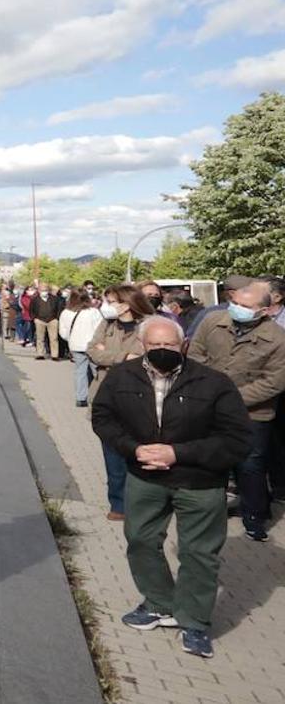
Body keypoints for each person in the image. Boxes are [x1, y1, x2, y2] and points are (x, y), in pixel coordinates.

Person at [92, 316, 252, 659]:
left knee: (198, 554)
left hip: (199, 482)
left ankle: (194, 621)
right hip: (145, 477)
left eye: (169, 345)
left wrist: (177, 453)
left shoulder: (214, 383)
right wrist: (132, 448)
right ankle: (159, 603)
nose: (162, 351)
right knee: (141, 541)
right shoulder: (122, 377)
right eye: (154, 345)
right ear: (142, 346)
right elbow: (103, 418)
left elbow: (237, 440)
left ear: (184, 346)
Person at [188, 279, 285, 542]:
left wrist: (232, 398)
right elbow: (195, 355)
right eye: (235, 303)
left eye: (245, 306)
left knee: (250, 465)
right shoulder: (213, 321)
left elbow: (274, 381)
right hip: (210, 408)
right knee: (211, 460)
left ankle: (254, 517)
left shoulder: (277, 338)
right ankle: (209, 512)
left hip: (253, 414)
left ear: (264, 311)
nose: (237, 308)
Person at [88, 284, 155, 520]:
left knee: (137, 454)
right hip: (106, 397)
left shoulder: (149, 326)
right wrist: (121, 356)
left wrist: (108, 355)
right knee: (112, 456)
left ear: (126, 304)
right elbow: (92, 350)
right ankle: (118, 505)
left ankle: (143, 503)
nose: (106, 306)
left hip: (139, 398)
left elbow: (140, 359)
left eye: (111, 301)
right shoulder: (107, 324)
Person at [59, 289, 103, 407]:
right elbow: (100, 329)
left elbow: (63, 332)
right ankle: (99, 396)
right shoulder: (93, 312)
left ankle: (81, 398)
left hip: (75, 345)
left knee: (80, 371)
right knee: (97, 372)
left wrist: (71, 339)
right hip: (92, 346)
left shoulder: (66, 313)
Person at [32, 282, 62, 361]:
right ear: (39, 290)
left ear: (48, 290)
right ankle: (40, 354)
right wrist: (35, 318)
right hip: (40, 320)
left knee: (54, 338)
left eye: (45, 290)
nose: (44, 292)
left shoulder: (54, 299)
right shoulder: (35, 299)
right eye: (42, 290)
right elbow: (31, 310)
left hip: (52, 320)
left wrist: (56, 318)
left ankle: (54, 355)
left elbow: (59, 309)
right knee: (40, 338)